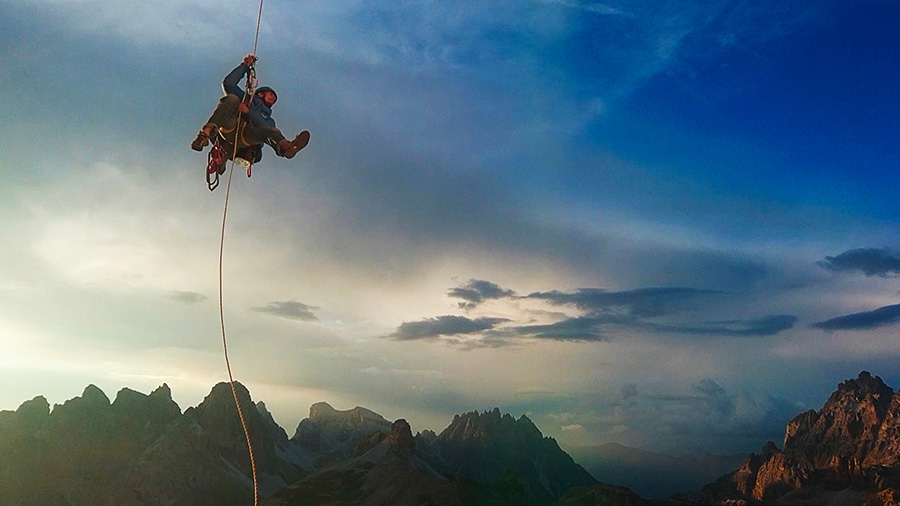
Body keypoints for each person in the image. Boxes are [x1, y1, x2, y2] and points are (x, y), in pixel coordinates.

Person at [191, 54, 308, 160]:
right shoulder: (245, 98)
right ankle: (204, 134)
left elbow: (264, 127)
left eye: (274, 99)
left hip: (246, 136)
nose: (273, 98)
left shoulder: (268, 119)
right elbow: (228, 84)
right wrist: (244, 66)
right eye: (271, 94)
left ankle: (286, 147)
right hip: (230, 126)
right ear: (260, 94)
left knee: (272, 131)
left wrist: (248, 112)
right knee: (231, 99)